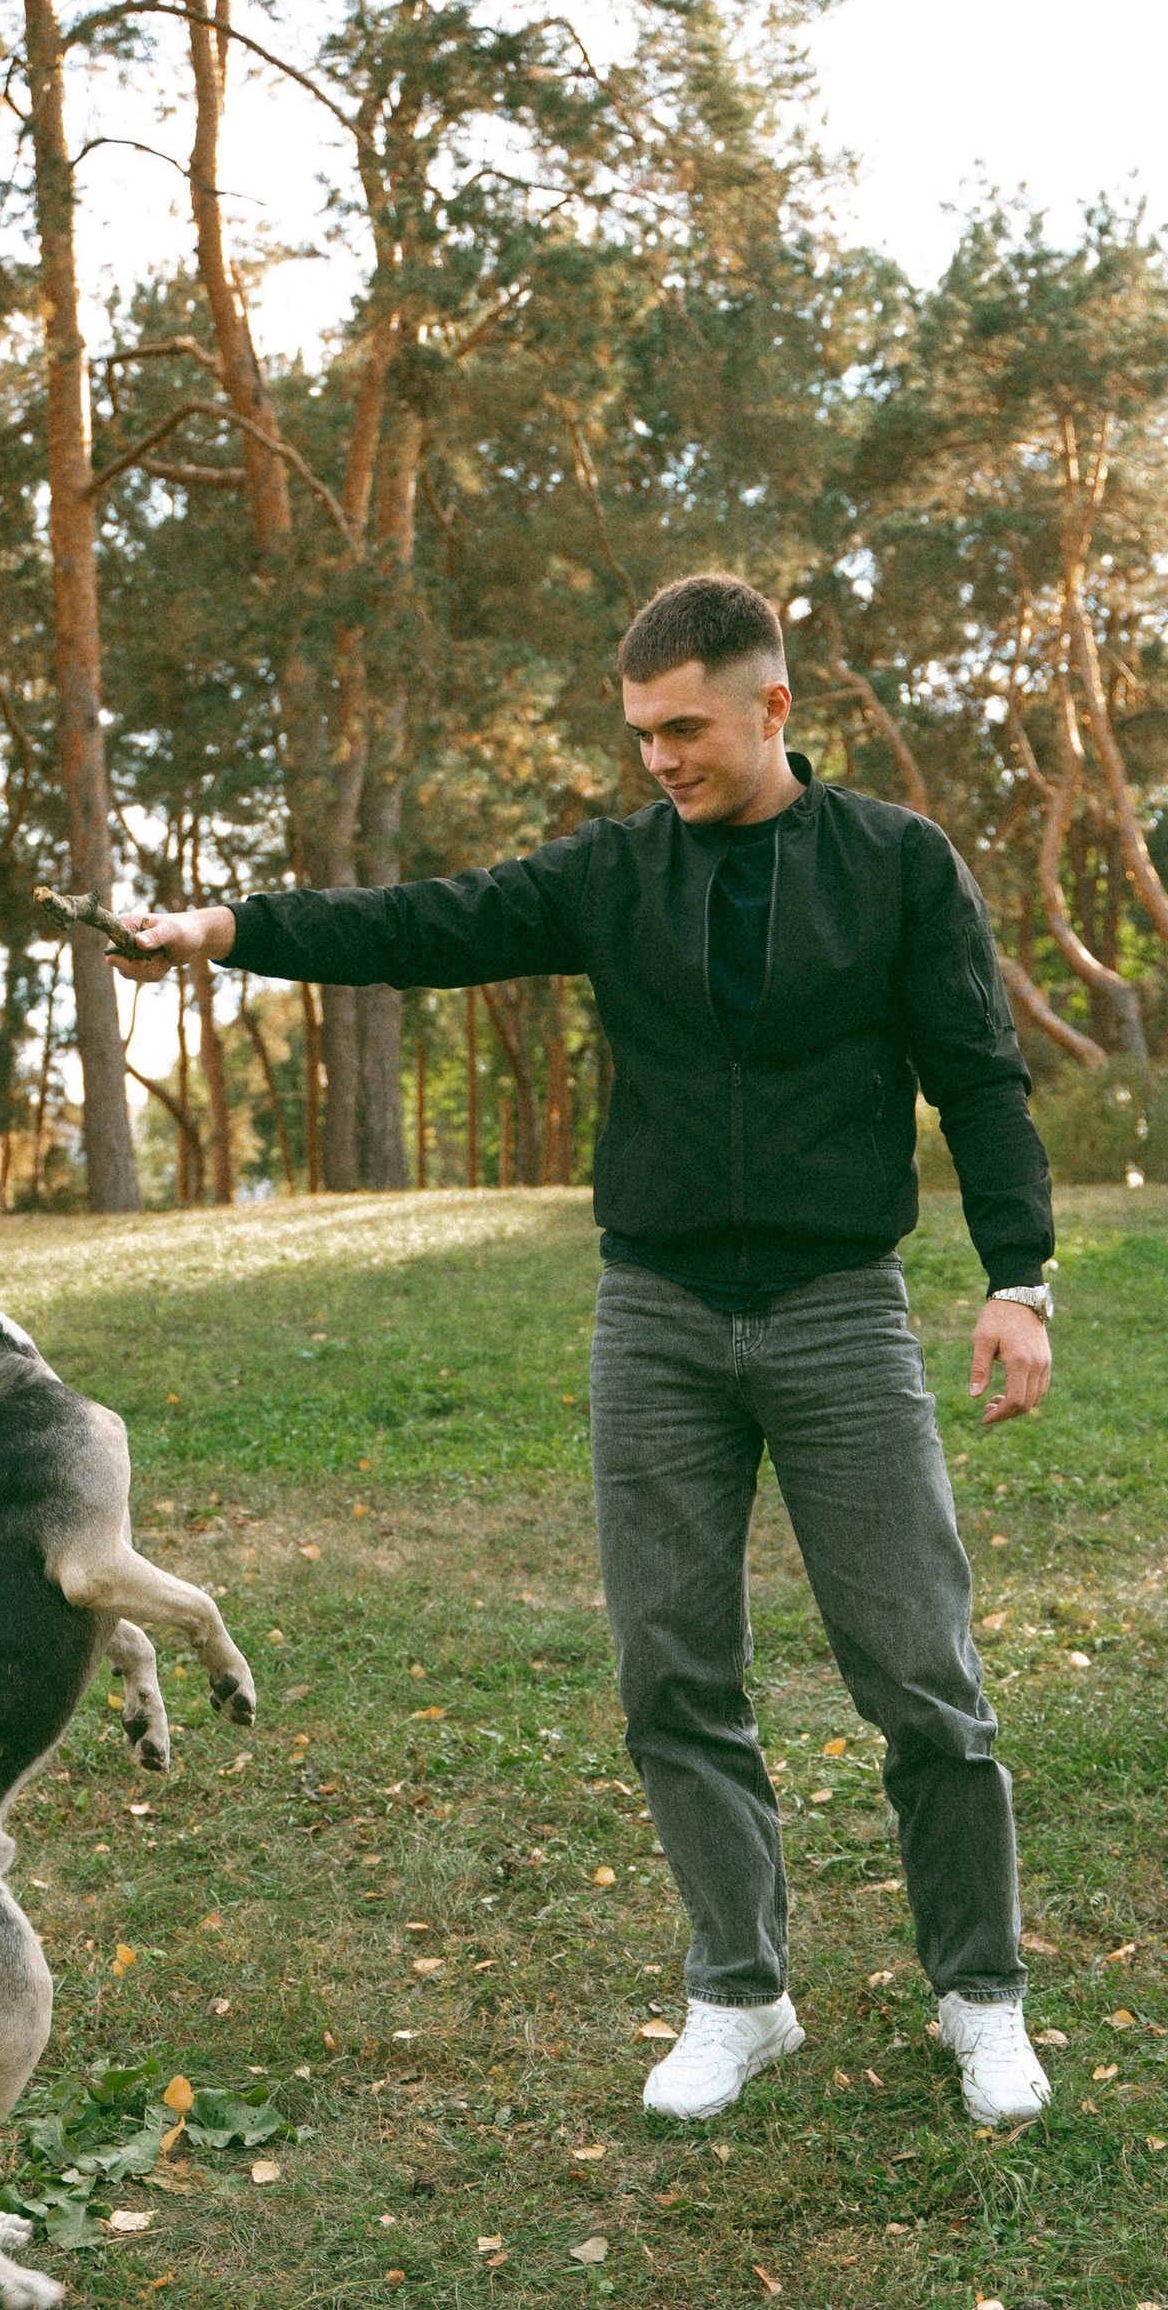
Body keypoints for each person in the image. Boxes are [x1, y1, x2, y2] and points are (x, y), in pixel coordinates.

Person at [110, 572, 1056, 2129]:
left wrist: (1019, 1276)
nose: (661, 761)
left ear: (773, 707)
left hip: (837, 1315)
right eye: (638, 735)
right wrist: (225, 930)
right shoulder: (616, 874)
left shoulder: (893, 864)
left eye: (685, 727)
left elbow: (983, 1076)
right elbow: (426, 924)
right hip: (658, 1321)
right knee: (673, 1670)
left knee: (922, 1675)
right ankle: (740, 1998)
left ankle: (982, 1994)